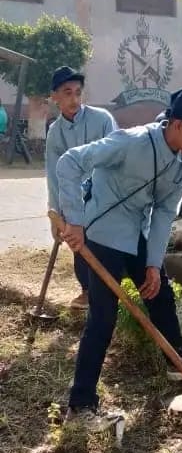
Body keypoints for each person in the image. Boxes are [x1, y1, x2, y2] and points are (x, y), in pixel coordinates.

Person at [56, 87, 182, 429]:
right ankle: (80, 407)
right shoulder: (131, 142)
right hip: (101, 234)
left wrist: (152, 262)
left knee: (159, 291)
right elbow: (69, 163)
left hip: (134, 235)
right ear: (177, 124)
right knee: (102, 319)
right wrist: (74, 219)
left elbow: (164, 211)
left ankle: (177, 362)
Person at [46, 66, 116, 310]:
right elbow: (54, 177)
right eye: (67, 93)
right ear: (55, 96)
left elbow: (115, 160)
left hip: (106, 195)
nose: (74, 99)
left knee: (107, 248)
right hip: (76, 202)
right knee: (79, 246)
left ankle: (110, 294)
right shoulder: (55, 134)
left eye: (78, 92)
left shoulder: (103, 119)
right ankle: (87, 292)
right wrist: (56, 215)